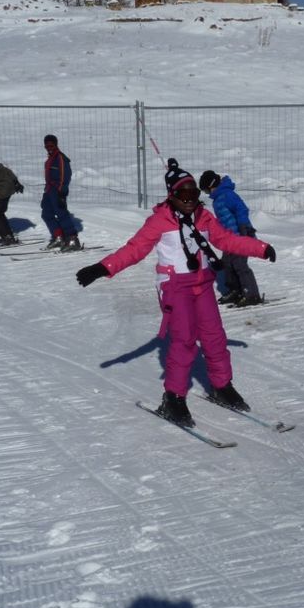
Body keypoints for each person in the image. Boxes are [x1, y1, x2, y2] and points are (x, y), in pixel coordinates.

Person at [75, 167, 277, 427]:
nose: (189, 200)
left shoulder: (204, 217)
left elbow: (227, 240)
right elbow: (135, 249)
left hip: (202, 283)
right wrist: (102, 268)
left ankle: (222, 385)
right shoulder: (160, 220)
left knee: (214, 336)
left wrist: (260, 248)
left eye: (194, 194)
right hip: (174, 286)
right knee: (184, 339)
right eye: (183, 194)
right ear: (172, 195)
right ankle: (174, 398)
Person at [199, 169, 264, 307]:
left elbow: (242, 209)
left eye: (206, 190)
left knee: (240, 265)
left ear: (211, 186)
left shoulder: (227, 194)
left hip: (241, 235)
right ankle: (235, 290)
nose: (207, 193)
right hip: (228, 239)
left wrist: (243, 227)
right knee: (227, 264)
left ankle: (251, 294)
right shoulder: (218, 198)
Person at [41, 134, 80, 251]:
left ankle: (72, 239)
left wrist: (61, 192)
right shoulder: (50, 159)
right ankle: (59, 237)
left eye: (51, 145)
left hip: (57, 190)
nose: (49, 147)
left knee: (61, 213)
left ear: (56, 144)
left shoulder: (60, 158)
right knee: (46, 214)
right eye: (47, 145)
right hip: (49, 190)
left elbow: (65, 175)